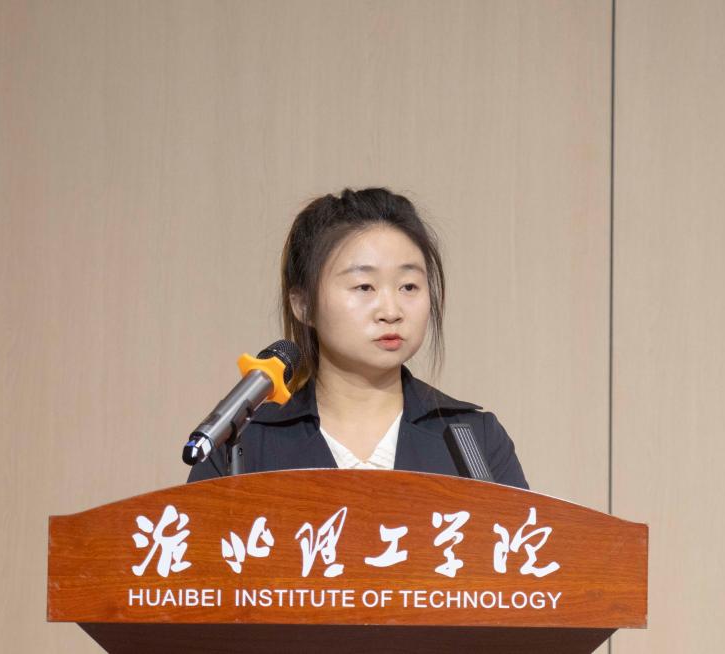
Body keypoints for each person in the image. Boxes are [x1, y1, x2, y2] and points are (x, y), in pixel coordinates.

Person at [187, 187, 528, 489]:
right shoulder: (244, 444)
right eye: (364, 287)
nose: (391, 311)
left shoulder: (474, 439)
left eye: (409, 286)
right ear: (303, 304)